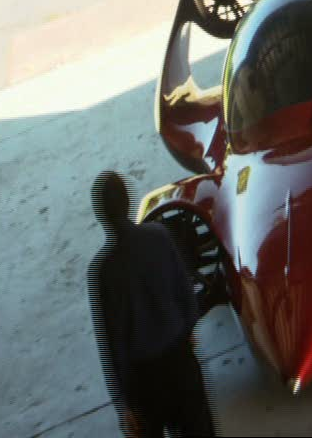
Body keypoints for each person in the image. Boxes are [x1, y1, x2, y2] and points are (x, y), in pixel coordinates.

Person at [88, 171, 215, 437]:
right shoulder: (159, 236)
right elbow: (186, 293)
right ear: (128, 203)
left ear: (101, 215)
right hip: (181, 363)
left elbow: (112, 345)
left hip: (144, 383)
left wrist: (124, 405)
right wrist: (185, 331)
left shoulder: (103, 270)